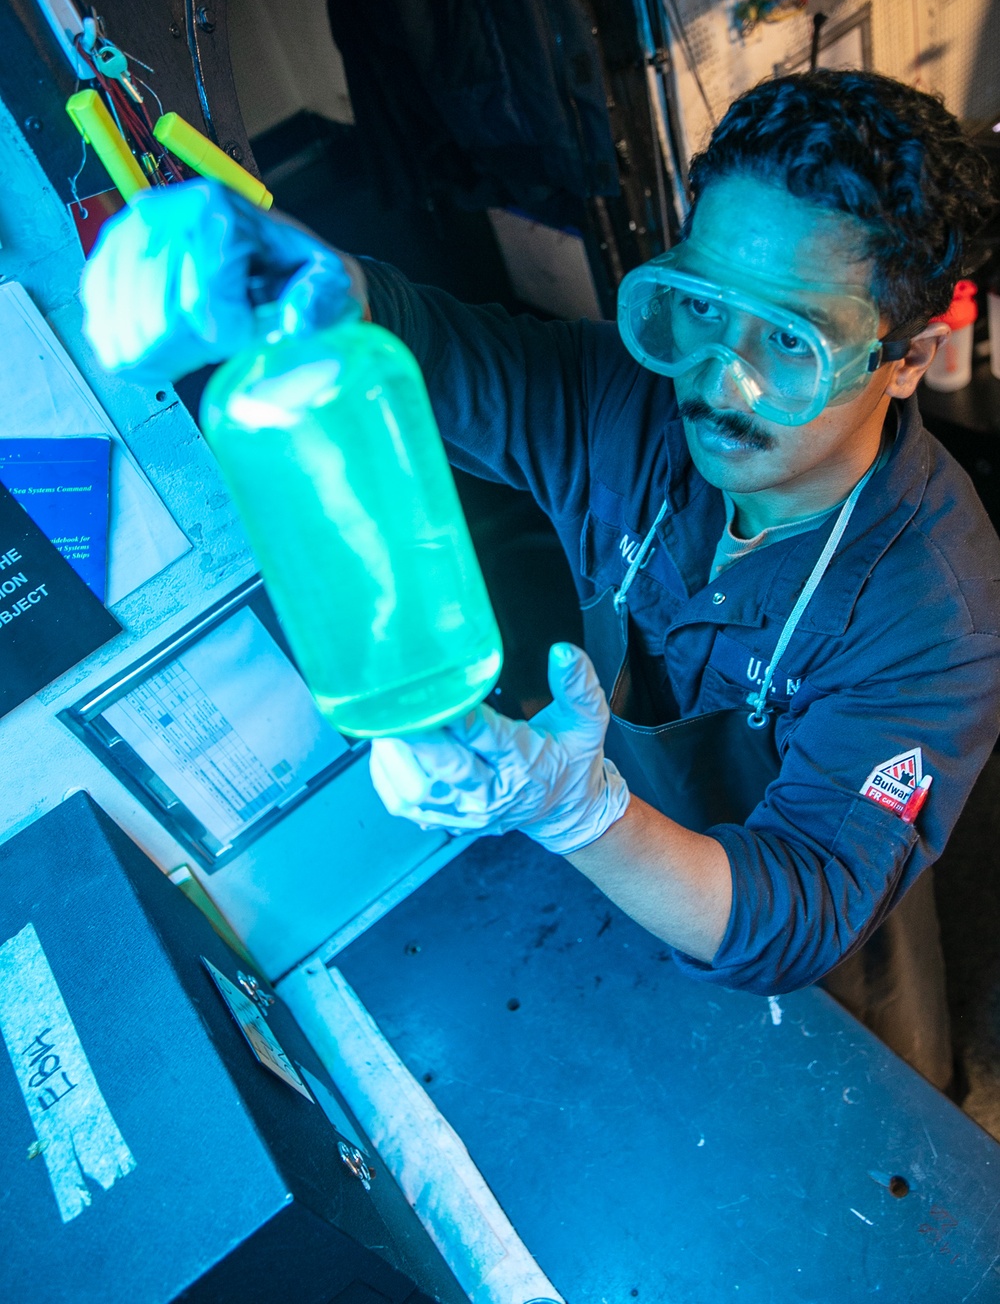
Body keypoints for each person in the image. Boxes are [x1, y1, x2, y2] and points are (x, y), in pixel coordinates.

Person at [82, 70, 1000, 1090]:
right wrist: (311, 291)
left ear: (908, 356)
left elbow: (799, 905)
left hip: (810, 980)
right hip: (612, 890)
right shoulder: (627, 404)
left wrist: (574, 810)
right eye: (698, 306)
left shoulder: (934, 610)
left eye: (788, 339)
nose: (711, 379)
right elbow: (437, 348)